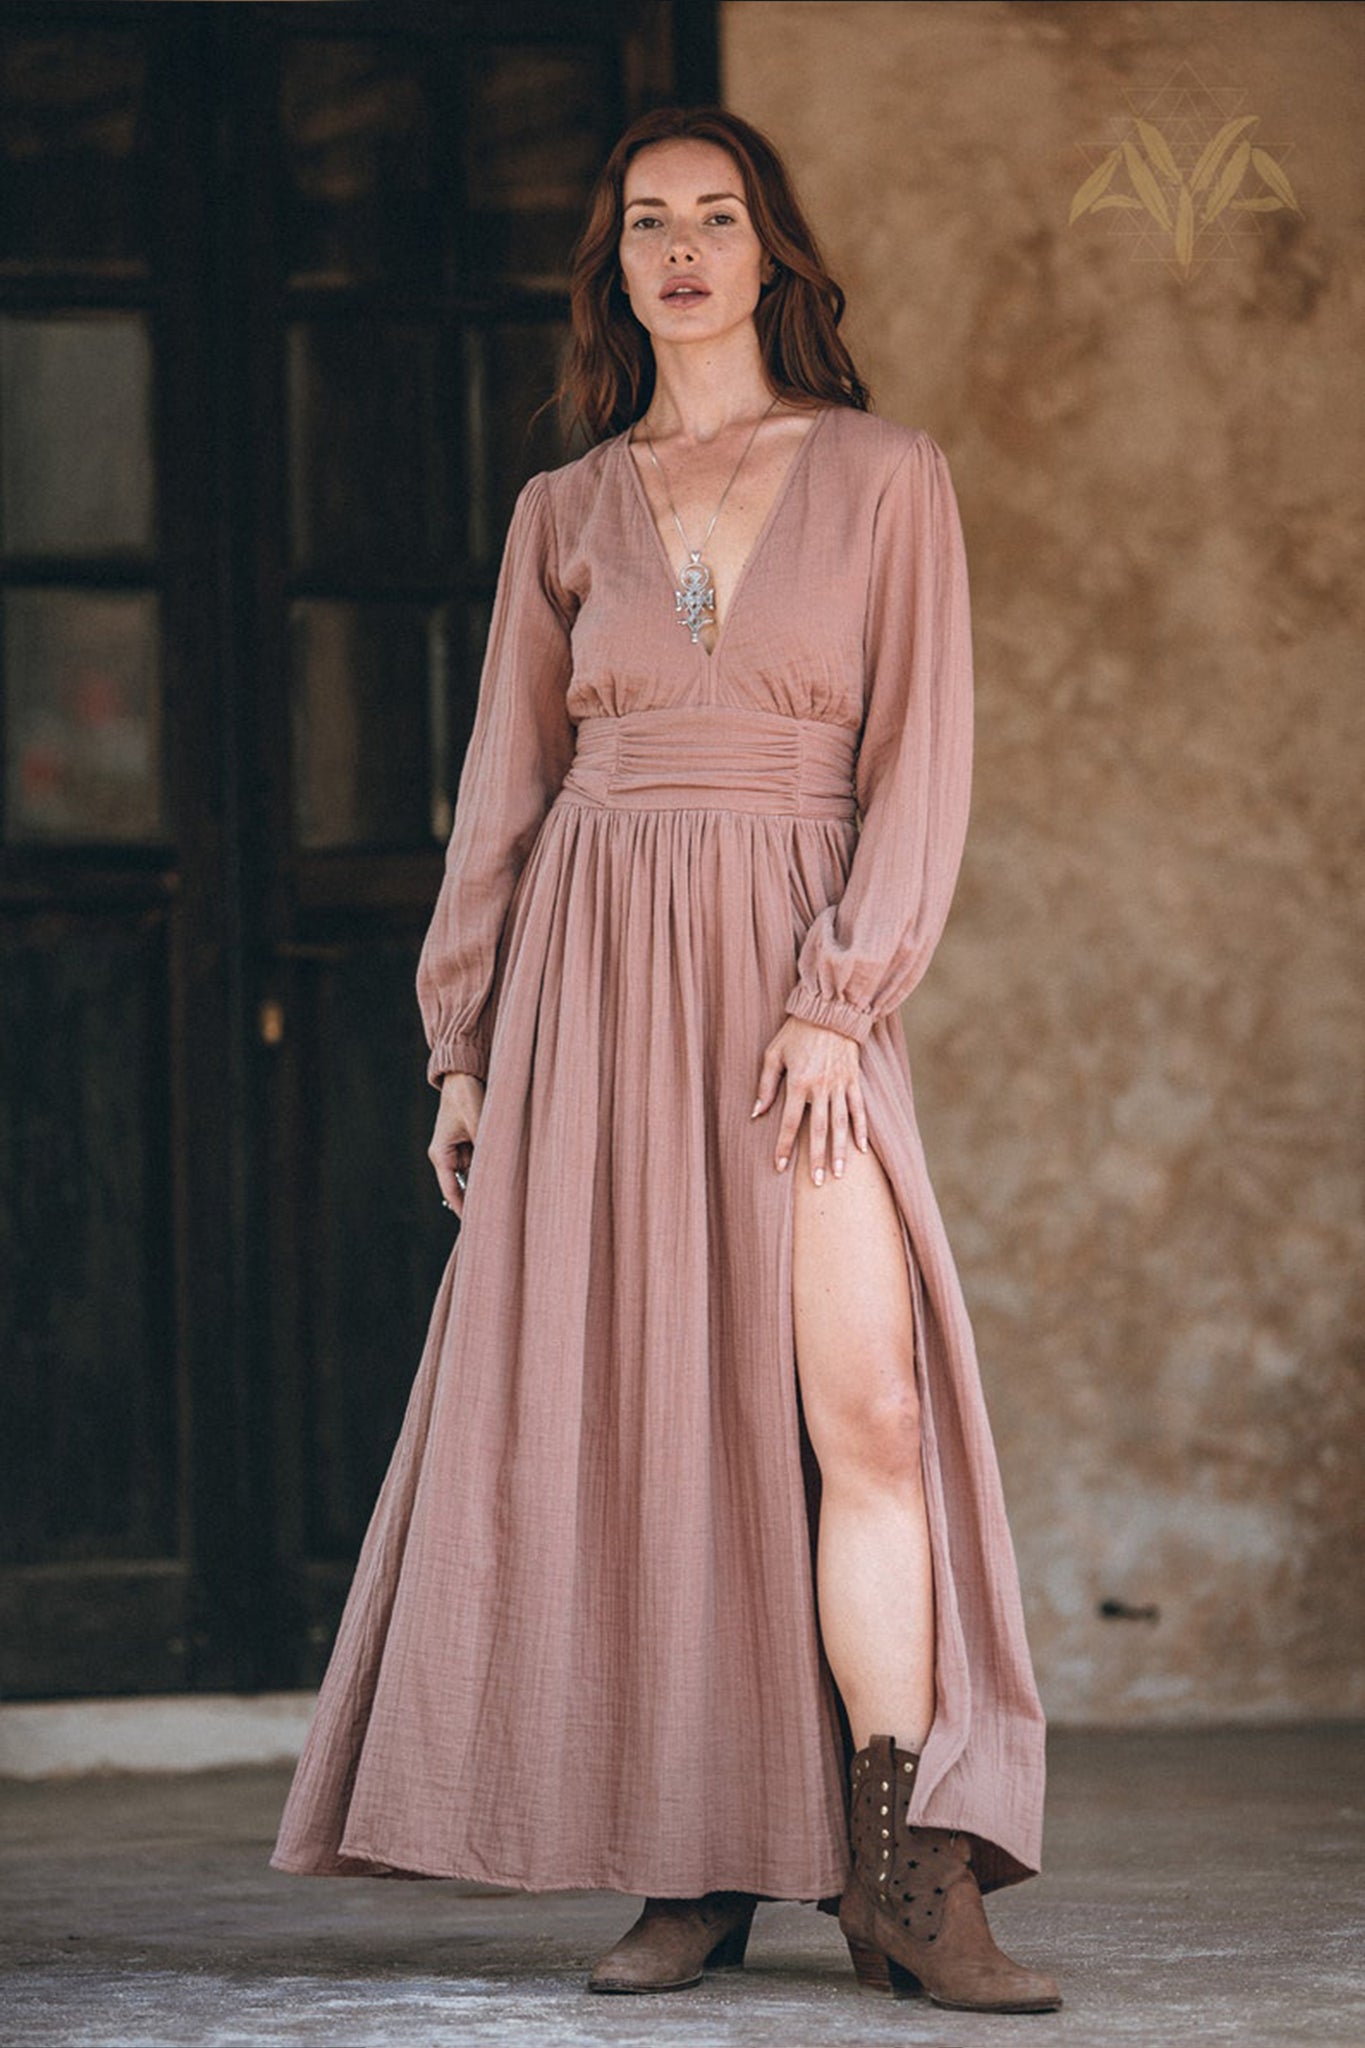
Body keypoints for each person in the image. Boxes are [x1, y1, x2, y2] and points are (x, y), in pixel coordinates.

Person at [270, 104, 1061, 2016]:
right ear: (615, 265)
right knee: (650, 1439)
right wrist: (462, 1044)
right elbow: (504, 797)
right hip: (592, 996)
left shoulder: (884, 476)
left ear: (773, 252)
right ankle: (688, 1868)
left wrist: (836, 998)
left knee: (859, 1421)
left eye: (717, 217)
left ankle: (906, 1881)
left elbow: (918, 766)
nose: (684, 248)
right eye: (648, 223)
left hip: (797, 1005)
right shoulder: (564, 510)